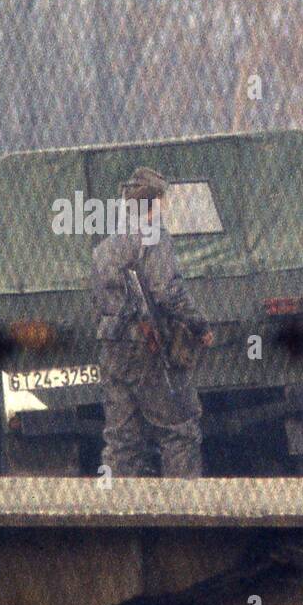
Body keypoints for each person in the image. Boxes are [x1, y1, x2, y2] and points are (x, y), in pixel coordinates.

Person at [91, 167, 213, 477]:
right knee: (179, 432)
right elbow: (167, 291)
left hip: (113, 350)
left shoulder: (105, 249)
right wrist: (199, 326)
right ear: (155, 201)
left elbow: (99, 305)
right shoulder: (154, 237)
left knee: (122, 442)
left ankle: (119, 505)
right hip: (150, 348)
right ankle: (183, 505)